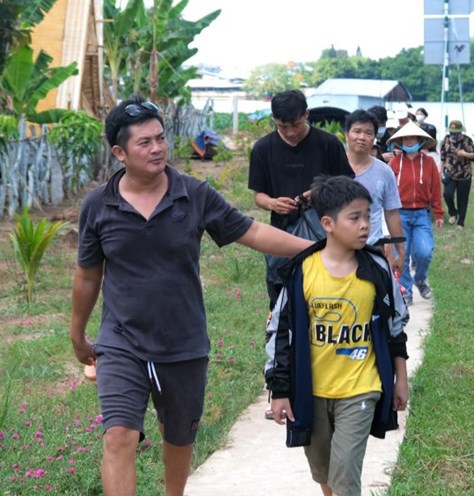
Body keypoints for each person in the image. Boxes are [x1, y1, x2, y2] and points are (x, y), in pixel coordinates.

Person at [68, 96, 313, 496]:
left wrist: (313, 249)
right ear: (119, 152)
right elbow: (88, 275)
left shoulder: (193, 194)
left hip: (183, 342)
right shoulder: (98, 205)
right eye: (144, 142)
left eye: (161, 138)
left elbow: (251, 232)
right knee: (119, 437)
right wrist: (78, 335)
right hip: (120, 340)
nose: (158, 148)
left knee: (178, 439)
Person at [267, 175, 409, 496]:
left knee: (345, 476)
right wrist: (279, 390)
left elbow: (395, 327)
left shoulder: (376, 269)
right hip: (312, 391)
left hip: (361, 389)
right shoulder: (303, 270)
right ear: (328, 223)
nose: (364, 226)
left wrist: (400, 378)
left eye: (367, 216)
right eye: (354, 217)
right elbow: (280, 333)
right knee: (325, 474)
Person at [248, 89, 353, 310]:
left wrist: (318, 192)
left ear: (306, 114)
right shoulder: (263, 148)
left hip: (326, 232)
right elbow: (259, 196)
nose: (290, 132)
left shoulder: (328, 144)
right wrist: (272, 203)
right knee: (282, 297)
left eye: (294, 125)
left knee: (326, 294)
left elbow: (347, 186)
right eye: (282, 126)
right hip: (281, 231)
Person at [387, 122, 444, 305]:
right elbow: (387, 191)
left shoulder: (428, 163)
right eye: (405, 138)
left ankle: (420, 279)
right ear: (400, 141)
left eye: (412, 138)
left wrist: (439, 213)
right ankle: (406, 290)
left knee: (424, 252)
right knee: (400, 255)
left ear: (420, 140)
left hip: (421, 214)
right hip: (399, 214)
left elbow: (436, 189)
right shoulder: (394, 163)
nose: (409, 140)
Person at [344, 109, 406, 273]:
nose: (362, 137)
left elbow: (392, 213)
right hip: (339, 250)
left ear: (374, 138)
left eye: (368, 133)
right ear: (346, 134)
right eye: (357, 131)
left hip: (372, 248)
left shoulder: (385, 172)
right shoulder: (333, 167)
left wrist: (400, 250)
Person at [439, 119, 474, 228]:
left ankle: (461, 222)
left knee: (463, 198)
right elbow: (442, 156)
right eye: (452, 133)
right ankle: (453, 212)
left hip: (464, 174)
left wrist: (465, 154)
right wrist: (440, 170)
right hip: (449, 173)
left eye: (456, 133)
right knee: (447, 194)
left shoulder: (467, 140)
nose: (454, 135)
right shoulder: (446, 140)